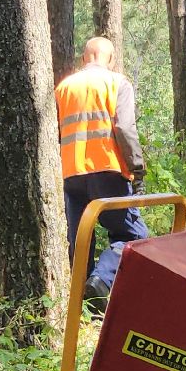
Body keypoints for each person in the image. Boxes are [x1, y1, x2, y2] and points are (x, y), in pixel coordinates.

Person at [55, 37, 148, 299]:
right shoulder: (117, 83)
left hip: (71, 173)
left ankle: (82, 305)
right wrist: (137, 169)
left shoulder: (63, 88)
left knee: (80, 240)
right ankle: (101, 281)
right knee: (132, 235)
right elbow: (124, 129)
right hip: (107, 169)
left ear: (85, 58)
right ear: (111, 59)